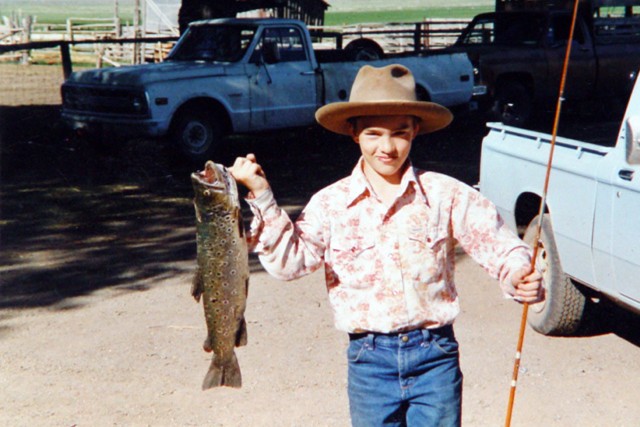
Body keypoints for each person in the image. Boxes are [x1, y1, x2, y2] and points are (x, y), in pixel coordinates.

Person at [230, 64, 543, 427]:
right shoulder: (330, 203)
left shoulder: (445, 193)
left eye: (399, 133)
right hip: (368, 360)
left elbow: (497, 241)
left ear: (416, 131)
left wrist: (519, 272)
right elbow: (289, 264)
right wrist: (261, 193)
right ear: (353, 132)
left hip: (436, 355)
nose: (387, 147)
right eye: (373, 133)